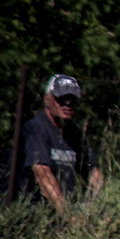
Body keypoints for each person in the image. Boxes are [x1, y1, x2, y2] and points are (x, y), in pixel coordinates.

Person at [15, 74, 102, 213]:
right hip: (34, 214)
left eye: (72, 99)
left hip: (64, 213)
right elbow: (42, 175)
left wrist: (90, 207)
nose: (67, 103)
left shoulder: (75, 134)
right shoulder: (36, 128)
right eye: (61, 98)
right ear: (47, 100)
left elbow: (93, 172)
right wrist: (68, 216)